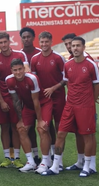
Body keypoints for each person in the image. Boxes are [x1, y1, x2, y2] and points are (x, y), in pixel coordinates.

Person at [42, 37, 99, 177]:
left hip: (85, 107)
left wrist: (89, 103)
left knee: (87, 136)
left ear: (83, 48)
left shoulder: (91, 65)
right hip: (70, 105)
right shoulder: (67, 65)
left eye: (78, 46)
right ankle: (56, 165)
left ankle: (87, 166)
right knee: (61, 133)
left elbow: (97, 86)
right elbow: (68, 83)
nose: (75, 48)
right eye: (73, 46)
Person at [0, 32, 30, 169]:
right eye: (0, 43)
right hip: (2, 97)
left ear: (9, 42)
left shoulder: (20, 55)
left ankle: (17, 158)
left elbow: (27, 74)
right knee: (4, 127)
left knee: (16, 126)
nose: (3, 45)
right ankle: (7, 157)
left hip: (18, 98)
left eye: (5, 42)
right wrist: (1, 101)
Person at [6, 58, 52, 173]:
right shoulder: (9, 80)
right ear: (11, 70)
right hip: (28, 106)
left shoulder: (32, 78)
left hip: (43, 104)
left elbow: (36, 101)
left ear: (24, 68)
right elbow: (16, 101)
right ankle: (30, 162)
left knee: (42, 129)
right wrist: (20, 119)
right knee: (21, 129)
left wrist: (40, 120)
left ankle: (45, 162)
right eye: (15, 70)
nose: (18, 72)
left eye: (20, 69)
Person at [31, 31, 67, 172]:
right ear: (39, 43)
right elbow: (33, 79)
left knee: (59, 128)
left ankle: (60, 159)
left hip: (57, 96)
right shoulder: (35, 59)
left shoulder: (58, 58)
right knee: (45, 126)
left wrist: (54, 88)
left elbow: (66, 78)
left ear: (51, 42)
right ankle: (50, 157)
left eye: (46, 41)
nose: (44, 44)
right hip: (43, 99)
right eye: (42, 42)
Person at [61, 33, 97, 172]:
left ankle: (91, 164)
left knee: (89, 133)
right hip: (74, 103)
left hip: (85, 105)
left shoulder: (87, 60)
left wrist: (90, 101)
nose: (70, 47)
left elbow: (96, 83)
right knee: (78, 132)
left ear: (81, 45)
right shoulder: (71, 60)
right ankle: (81, 161)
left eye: (73, 44)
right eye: (67, 44)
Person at [20, 27, 41, 165]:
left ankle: (50, 155)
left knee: (45, 126)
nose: (26, 39)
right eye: (24, 37)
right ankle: (35, 155)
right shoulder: (19, 55)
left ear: (33, 37)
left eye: (28, 37)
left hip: (41, 96)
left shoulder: (40, 52)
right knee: (28, 128)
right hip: (25, 98)